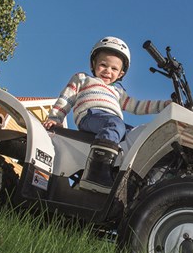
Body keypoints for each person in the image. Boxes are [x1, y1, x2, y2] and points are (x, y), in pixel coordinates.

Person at [43, 36, 170, 193]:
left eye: (114, 69)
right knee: (115, 124)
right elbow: (66, 98)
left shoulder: (118, 91)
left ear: (121, 73)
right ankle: (96, 174)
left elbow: (138, 106)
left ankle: (145, 184)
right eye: (103, 65)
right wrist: (55, 118)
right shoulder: (83, 79)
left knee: (142, 136)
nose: (108, 71)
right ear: (93, 64)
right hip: (91, 117)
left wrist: (165, 105)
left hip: (115, 125)